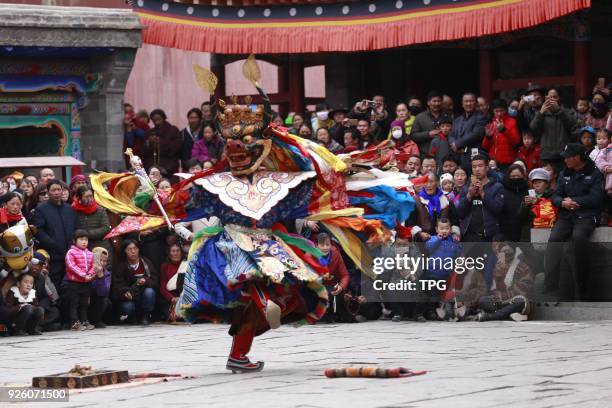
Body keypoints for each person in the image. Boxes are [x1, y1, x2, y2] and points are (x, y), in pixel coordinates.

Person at [544, 143, 604, 299]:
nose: (566, 160)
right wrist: (563, 203)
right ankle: (550, 286)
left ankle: (583, 286)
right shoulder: (564, 173)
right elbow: (556, 195)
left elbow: (596, 198)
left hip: (586, 215)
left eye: (568, 157)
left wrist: (575, 201)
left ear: (578, 157)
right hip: (566, 215)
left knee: (578, 237)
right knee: (554, 239)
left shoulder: (595, 173)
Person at [31, 179, 78, 290]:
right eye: (53, 190)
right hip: (53, 256)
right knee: (56, 285)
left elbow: (76, 228)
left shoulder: (69, 209)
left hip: (70, 255)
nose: (56, 192)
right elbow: (39, 232)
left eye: (59, 190)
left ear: (62, 191)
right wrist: (53, 244)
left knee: (71, 286)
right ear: (48, 192)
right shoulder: (41, 209)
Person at [474, 240, 534, 322]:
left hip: (513, 300)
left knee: (520, 301)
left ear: (513, 251)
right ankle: (506, 314)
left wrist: (505, 295)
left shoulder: (523, 266)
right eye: (503, 251)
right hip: (500, 302)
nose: (506, 254)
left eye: (508, 251)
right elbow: (495, 289)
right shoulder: (497, 266)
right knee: (483, 300)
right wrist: (500, 277)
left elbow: (525, 288)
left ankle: (491, 317)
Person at [456, 154, 505, 242]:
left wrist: (483, 194)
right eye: (474, 167)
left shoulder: (497, 187)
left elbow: (498, 209)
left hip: (489, 235)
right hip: (469, 235)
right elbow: (459, 213)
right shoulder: (466, 187)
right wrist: (469, 196)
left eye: (480, 166)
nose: (477, 169)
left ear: (487, 168)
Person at [424, 218, 462, 321]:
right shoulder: (432, 239)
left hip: (447, 274)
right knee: (433, 295)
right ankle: (431, 312)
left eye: (446, 228)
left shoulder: (453, 240)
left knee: (445, 294)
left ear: (450, 230)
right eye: (441, 228)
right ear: (437, 229)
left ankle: (446, 311)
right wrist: (438, 239)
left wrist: (457, 243)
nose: (444, 231)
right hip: (433, 274)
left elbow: (458, 253)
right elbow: (428, 248)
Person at [112, 239, 158, 326]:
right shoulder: (121, 266)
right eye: (129, 249)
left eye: (135, 248)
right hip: (130, 298)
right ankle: (132, 317)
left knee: (150, 292)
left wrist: (146, 280)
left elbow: (155, 280)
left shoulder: (146, 262)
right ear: (125, 251)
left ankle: (145, 316)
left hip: (144, 296)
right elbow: (117, 286)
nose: (133, 251)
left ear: (139, 249)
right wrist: (125, 292)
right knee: (128, 307)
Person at [530, 87, 577, 161]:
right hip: (547, 155)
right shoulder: (541, 113)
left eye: (555, 97)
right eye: (550, 97)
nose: (552, 99)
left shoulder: (568, 112)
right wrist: (541, 113)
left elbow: (572, 126)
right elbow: (533, 128)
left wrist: (559, 111)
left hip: (563, 155)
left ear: (559, 98)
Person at [64, 230, 96, 331]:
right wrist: (83, 275)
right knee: (74, 303)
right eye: (81, 239)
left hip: (86, 283)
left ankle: (84, 320)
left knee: (84, 303)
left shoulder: (90, 253)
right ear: (74, 241)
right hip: (74, 283)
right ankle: (74, 322)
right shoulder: (71, 252)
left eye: (86, 239)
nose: (84, 242)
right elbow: (71, 266)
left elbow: (93, 266)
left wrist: (91, 274)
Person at [316, 233, 350, 323]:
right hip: (316, 285)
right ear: (317, 245)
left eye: (327, 244)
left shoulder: (336, 254)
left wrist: (341, 286)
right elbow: (306, 274)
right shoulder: (310, 255)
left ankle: (332, 315)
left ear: (331, 245)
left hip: (332, 285)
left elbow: (345, 275)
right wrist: (319, 277)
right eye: (322, 245)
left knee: (333, 293)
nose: (325, 247)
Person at [449, 93, 488, 171]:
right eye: (466, 101)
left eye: (471, 101)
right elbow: (451, 134)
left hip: (473, 155)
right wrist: (453, 144)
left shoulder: (481, 117)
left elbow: (477, 134)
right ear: (462, 104)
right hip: (457, 155)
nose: (468, 103)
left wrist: (458, 144)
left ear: (476, 103)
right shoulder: (457, 120)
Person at [72, 186, 112, 260]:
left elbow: (106, 228)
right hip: (83, 251)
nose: (90, 199)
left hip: (101, 248)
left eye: (91, 196)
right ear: (79, 198)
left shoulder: (100, 210)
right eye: (86, 197)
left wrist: (86, 233)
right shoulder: (75, 211)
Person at [482, 99, 521, 171]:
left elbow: (516, 141)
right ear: (493, 111)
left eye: (501, 111)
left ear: (506, 110)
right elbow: (485, 147)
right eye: (496, 111)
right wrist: (488, 137)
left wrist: (504, 130)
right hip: (493, 162)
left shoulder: (512, 122)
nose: (499, 114)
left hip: (508, 162)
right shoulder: (491, 124)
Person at [143, 109, 183, 176]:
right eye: (154, 120)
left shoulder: (173, 130)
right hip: (152, 170)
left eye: (159, 119)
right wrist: (149, 143)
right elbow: (143, 152)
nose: (157, 122)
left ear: (164, 118)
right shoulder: (149, 132)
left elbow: (176, 148)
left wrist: (160, 142)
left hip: (169, 168)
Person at [29, 252, 61, 332]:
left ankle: (38, 325)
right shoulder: (24, 276)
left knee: (55, 311)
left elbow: (45, 296)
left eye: (39, 265)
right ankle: (36, 326)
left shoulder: (41, 277)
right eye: (34, 264)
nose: (36, 268)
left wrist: (42, 306)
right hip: (27, 307)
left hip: (39, 307)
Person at [499, 164, 529, 242]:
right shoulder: (502, 190)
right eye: (513, 176)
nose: (516, 178)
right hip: (506, 230)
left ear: (523, 176)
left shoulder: (529, 191)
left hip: (524, 230)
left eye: (518, 176)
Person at [159, 242, 184, 321]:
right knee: (173, 317)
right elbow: (162, 287)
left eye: (178, 251)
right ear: (169, 253)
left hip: (184, 298)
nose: (175, 253)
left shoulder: (186, 264)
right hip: (170, 299)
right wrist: (172, 298)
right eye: (173, 251)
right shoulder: (165, 266)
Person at [89, 247, 111, 328]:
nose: (102, 263)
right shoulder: (84, 269)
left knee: (104, 299)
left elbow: (103, 292)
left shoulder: (107, 273)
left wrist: (100, 276)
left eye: (104, 261)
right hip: (85, 299)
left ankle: (97, 321)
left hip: (96, 301)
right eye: (99, 260)